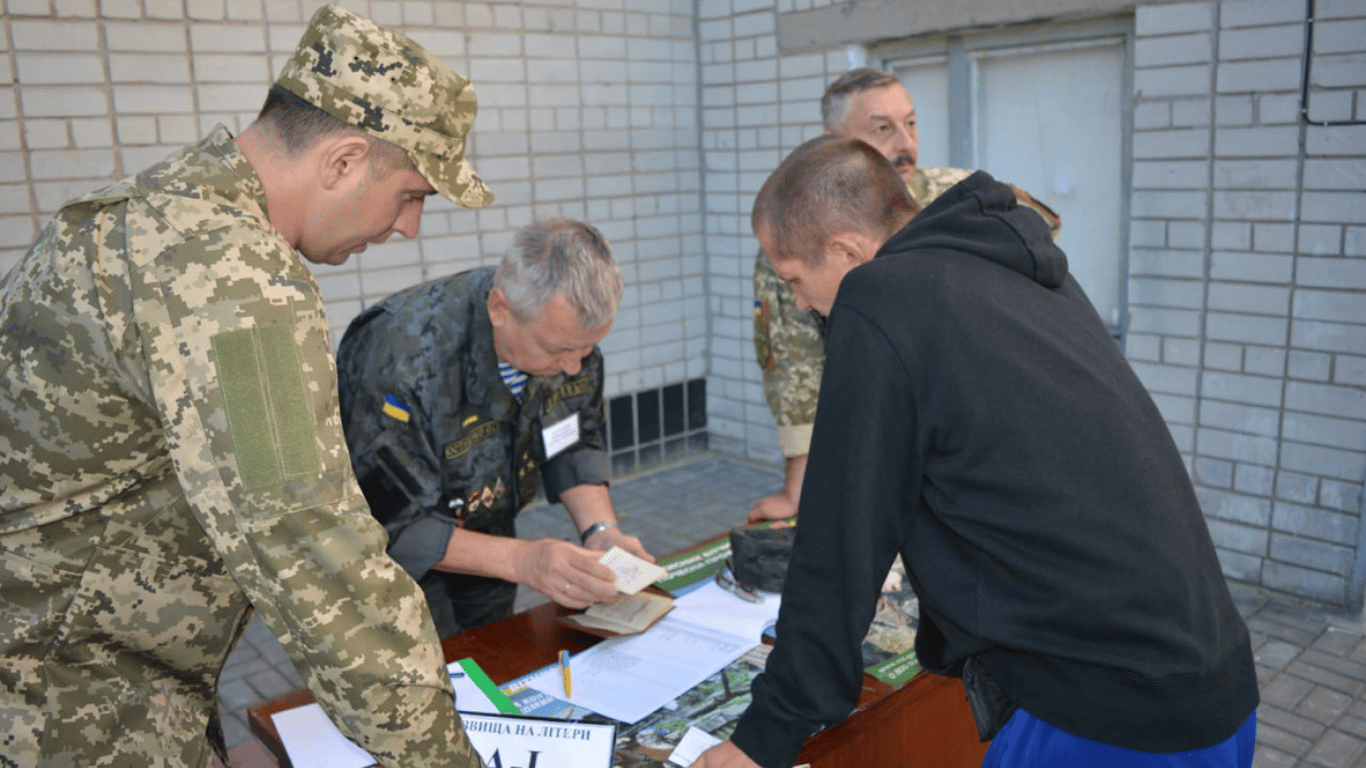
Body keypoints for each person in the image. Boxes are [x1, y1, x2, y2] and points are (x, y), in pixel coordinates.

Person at [0, 6, 494, 766]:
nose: (409, 229)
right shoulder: (231, 278)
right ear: (342, 161)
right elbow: (308, 545)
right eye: (412, 194)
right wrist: (437, 754)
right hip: (71, 705)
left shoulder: (147, 212)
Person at [695, 136, 1259, 767]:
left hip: (1106, 715)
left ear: (848, 252)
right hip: (1211, 686)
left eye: (795, 279)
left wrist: (762, 738)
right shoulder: (1013, 267)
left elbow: (838, 544)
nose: (797, 302)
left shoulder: (879, 298)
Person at [749, 67, 1060, 523]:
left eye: (910, 123)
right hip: (877, 425)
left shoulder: (959, 194)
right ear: (834, 140)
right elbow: (796, 369)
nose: (904, 143)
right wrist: (799, 489)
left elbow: (1041, 243)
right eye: (882, 128)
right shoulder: (801, 237)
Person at [335, 217, 654, 640]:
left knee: (492, 653)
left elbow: (573, 441)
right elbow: (393, 520)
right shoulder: (397, 354)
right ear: (500, 309)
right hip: (391, 570)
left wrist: (601, 532)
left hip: (490, 538)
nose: (574, 367)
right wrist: (526, 562)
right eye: (559, 350)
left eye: (588, 350)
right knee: (428, 673)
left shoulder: (567, 339)